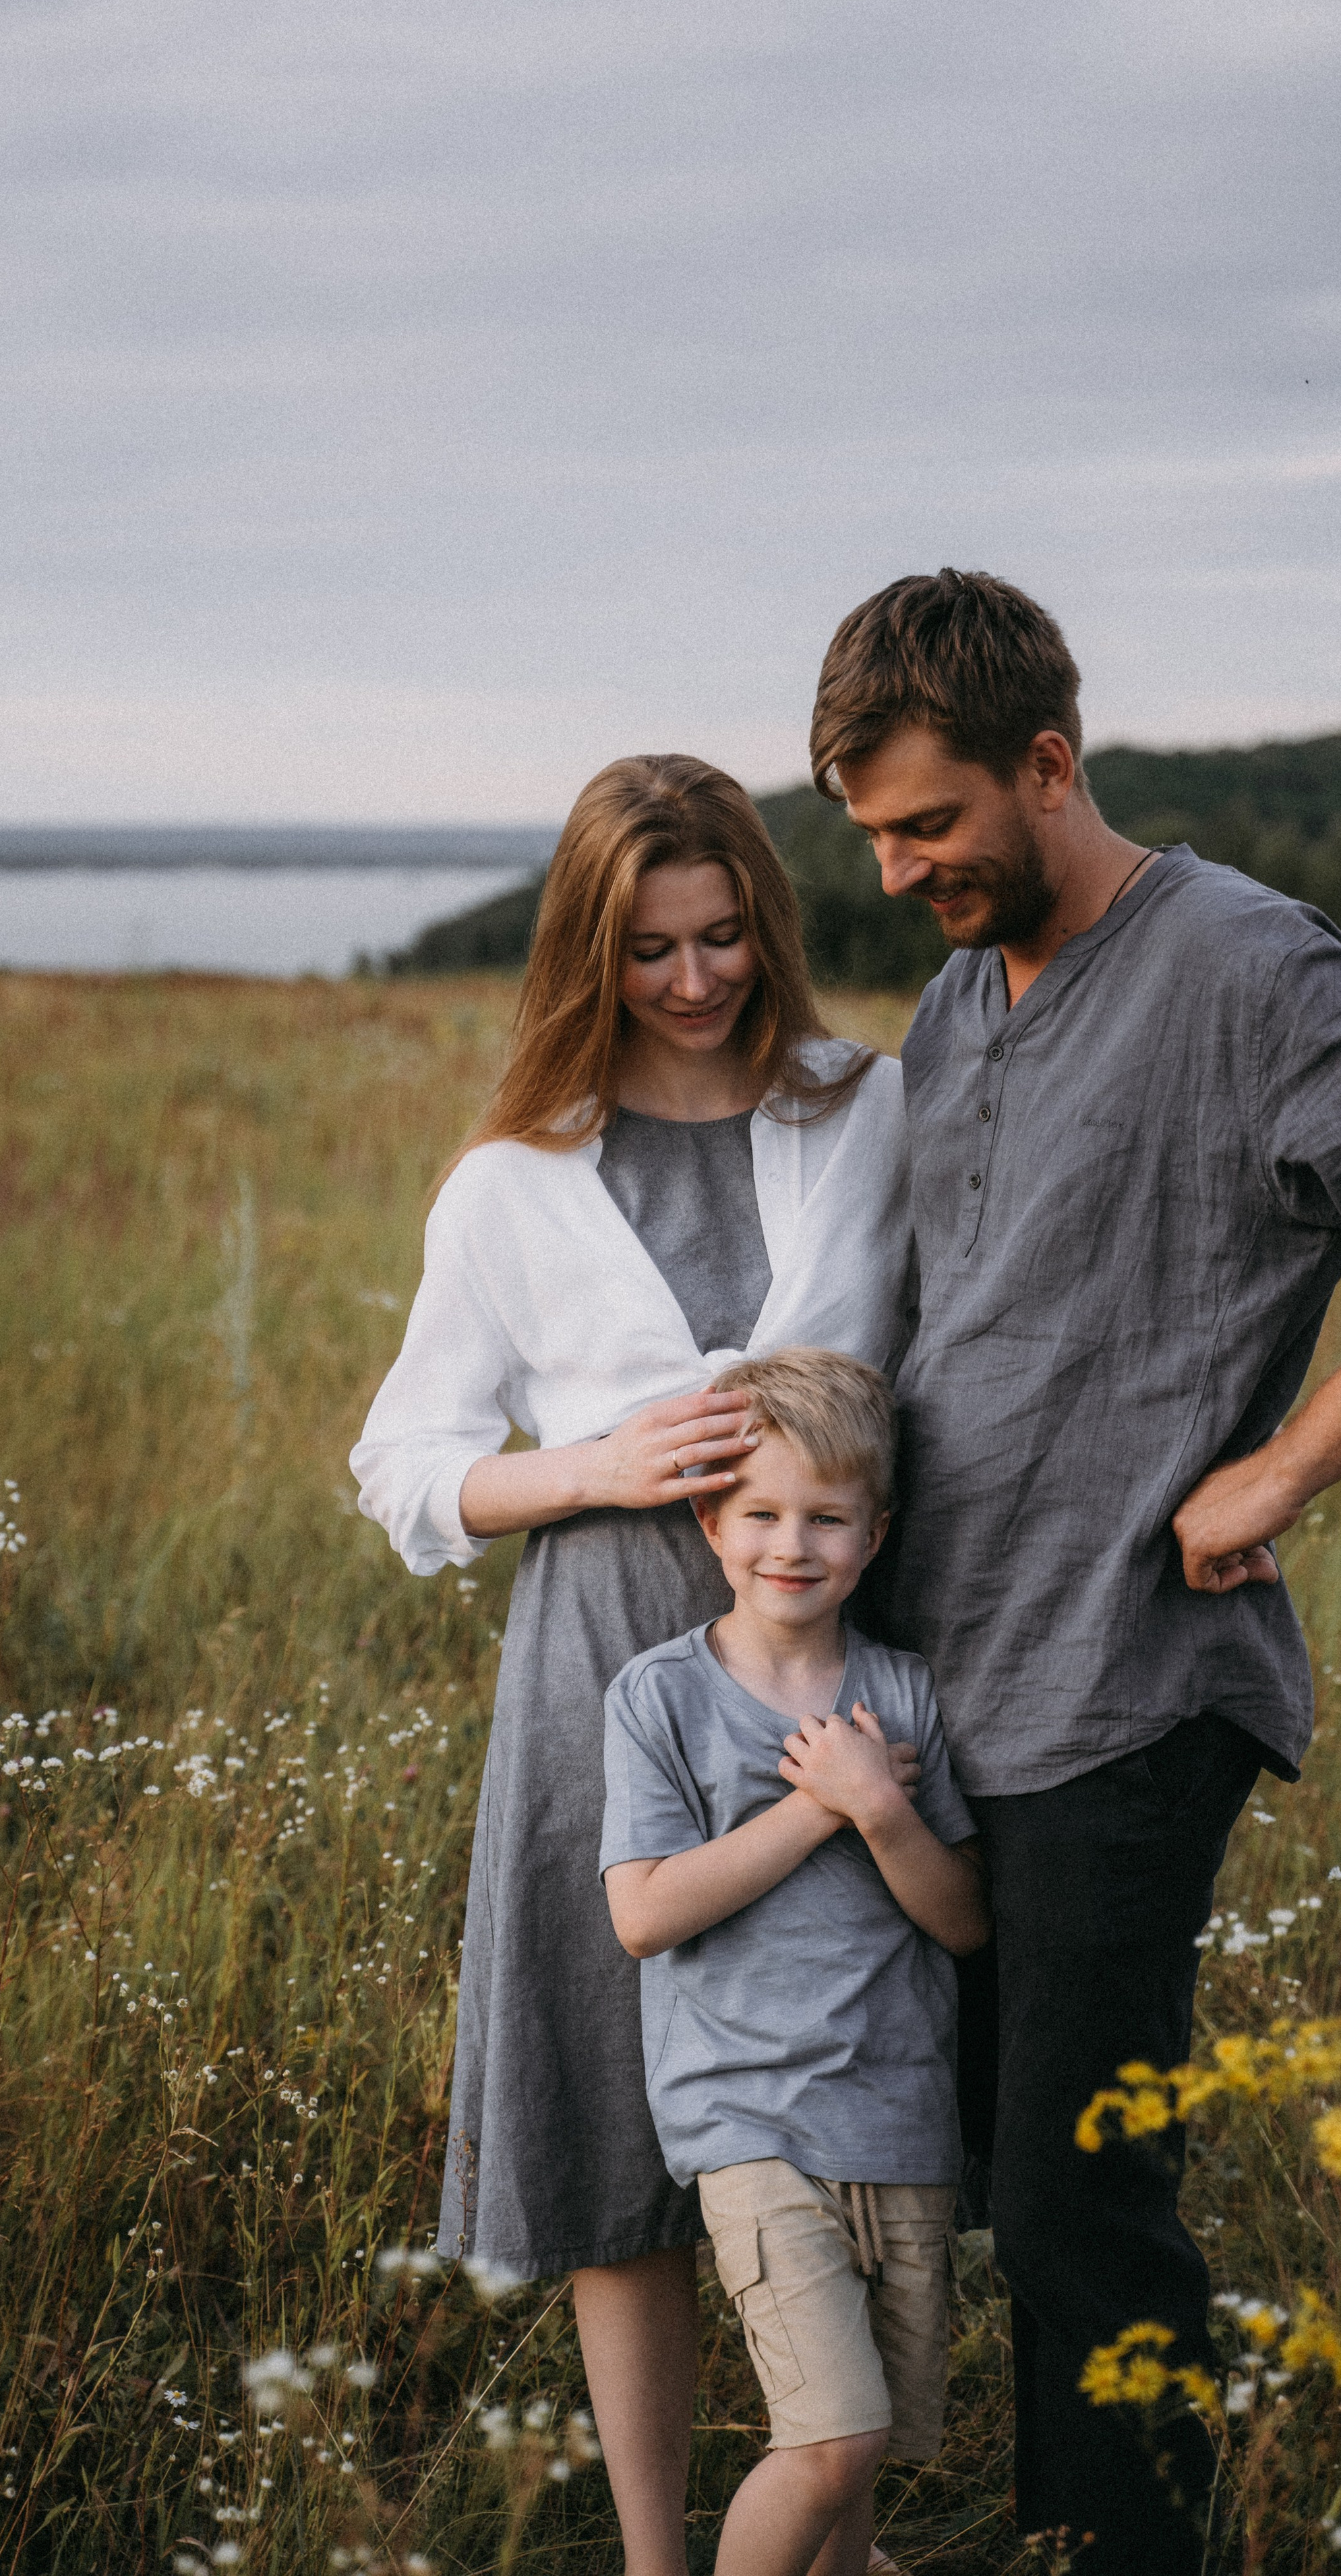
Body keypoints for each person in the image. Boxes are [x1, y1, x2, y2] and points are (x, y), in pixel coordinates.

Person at [806, 569, 1341, 2573]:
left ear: (1050, 764)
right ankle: (1042, 2528)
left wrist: (1286, 1464)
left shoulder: (1241, 967)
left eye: (930, 822)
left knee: (1073, 2197)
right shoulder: (964, 997)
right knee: (947, 2164)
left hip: (1128, 1681)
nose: (897, 870)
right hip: (949, 1682)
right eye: (870, 834)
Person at [349, 756, 916, 2576]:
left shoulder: (868, 1108)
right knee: (620, 2120)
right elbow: (405, 1464)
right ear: (593, 951)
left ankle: (827, 2517)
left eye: (725, 932)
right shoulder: (512, 1183)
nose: (695, 979)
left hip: (827, 1652)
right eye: (653, 947)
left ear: (770, 916)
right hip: (602, 1651)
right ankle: (667, 2558)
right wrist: (590, 1467)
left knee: (843, 2098)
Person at [601, 1348, 988, 2576]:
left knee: (860, 2458)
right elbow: (645, 1914)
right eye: (762, 1512)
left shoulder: (906, 1696)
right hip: (753, 2116)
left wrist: (884, 1810)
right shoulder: (661, 1698)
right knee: (834, 2436)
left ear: (875, 1537)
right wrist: (822, 1806)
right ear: (711, 1520)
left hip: (899, 2115)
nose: (792, 1544)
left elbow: (966, 1920)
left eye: (827, 1518)